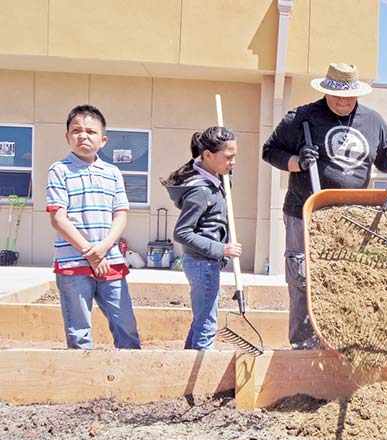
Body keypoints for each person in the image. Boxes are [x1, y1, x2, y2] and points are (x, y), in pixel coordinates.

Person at [262, 63, 387, 350]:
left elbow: (386, 162)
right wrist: (297, 162)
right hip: (306, 210)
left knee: (345, 275)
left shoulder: (372, 120)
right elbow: (270, 151)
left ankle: (341, 340)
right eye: (337, 97)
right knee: (303, 275)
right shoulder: (302, 117)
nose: (343, 103)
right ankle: (304, 344)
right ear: (326, 91)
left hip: (351, 216)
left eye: (349, 98)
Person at [46, 105, 141, 350]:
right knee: (78, 331)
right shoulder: (59, 171)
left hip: (111, 260)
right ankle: (83, 385)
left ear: (103, 139)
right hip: (73, 263)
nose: (83, 136)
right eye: (76, 130)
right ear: (67, 136)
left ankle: (130, 380)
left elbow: (120, 215)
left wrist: (104, 247)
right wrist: (90, 252)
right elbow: (58, 218)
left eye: (90, 131)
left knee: (126, 325)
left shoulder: (113, 173)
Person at [162, 127, 242, 350]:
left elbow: (227, 184)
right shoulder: (200, 191)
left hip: (206, 262)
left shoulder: (216, 180)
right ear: (208, 155)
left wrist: (227, 172)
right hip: (202, 263)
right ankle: (202, 378)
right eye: (228, 157)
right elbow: (182, 232)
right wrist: (221, 249)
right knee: (207, 323)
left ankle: (185, 366)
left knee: (202, 320)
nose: (233, 162)